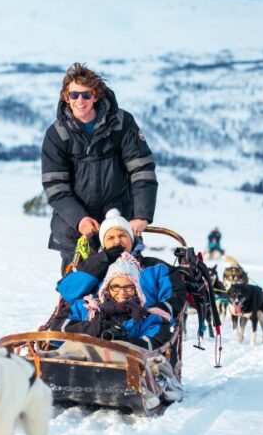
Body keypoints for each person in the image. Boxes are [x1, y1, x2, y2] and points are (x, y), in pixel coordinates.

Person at [41, 63, 158, 275]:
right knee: (78, 289)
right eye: (74, 95)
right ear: (66, 97)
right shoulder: (57, 134)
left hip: (118, 222)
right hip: (75, 229)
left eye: (86, 95)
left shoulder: (121, 123)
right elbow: (55, 186)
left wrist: (141, 215)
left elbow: (142, 171)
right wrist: (79, 219)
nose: (80, 101)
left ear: (95, 95)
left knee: (124, 285)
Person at [45, 209, 186, 331]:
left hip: (141, 329)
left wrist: (149, 316)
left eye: (122, 235)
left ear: (132, 239)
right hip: (96, 329)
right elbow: (68, 292)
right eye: (110, 237)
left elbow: (174, 298)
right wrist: (102, 259)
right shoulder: (95, 266)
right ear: (103, 242)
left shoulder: (156, 268)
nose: (117, 241)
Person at [63, 253, 174, 350]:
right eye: (115, 287)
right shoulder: (87, 309)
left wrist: (121, 341)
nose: (122, 293)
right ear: (107, 288)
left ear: (137, 289)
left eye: (128, 287)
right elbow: (58, 327)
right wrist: (97, 328)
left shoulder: (147, 318)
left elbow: (154, 345)